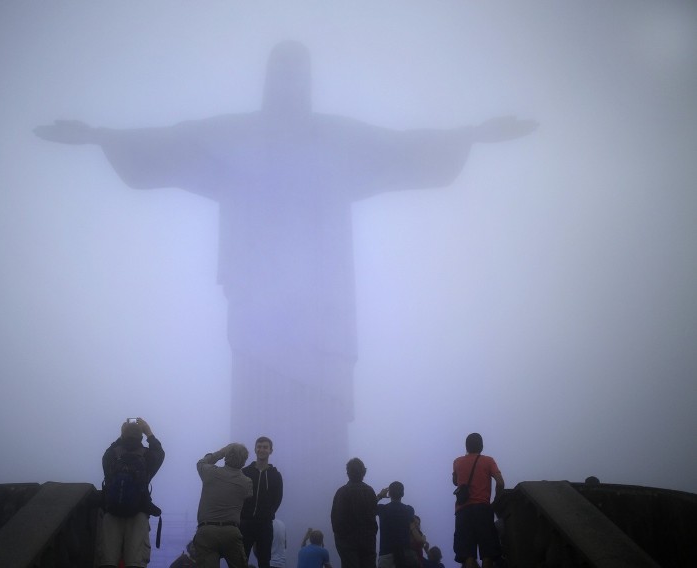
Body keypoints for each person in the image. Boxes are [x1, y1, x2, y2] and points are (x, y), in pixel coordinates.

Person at [33, 44, 537, 538]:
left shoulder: (336, 139)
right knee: (258, 399)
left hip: (324, 307)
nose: (290, 81)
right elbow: (172, 143)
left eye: (298, 71)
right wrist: (99, 136)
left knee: (321, 413)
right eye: (282, 70)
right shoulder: (239, 136)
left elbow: (400, 147)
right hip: (258, 306)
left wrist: (472, 134)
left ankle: (309, 527)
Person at [100, 418, 165, 568]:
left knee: (108, 562)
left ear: (123, 435)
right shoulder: (148, 456)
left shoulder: (111, 455)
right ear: (140, 437)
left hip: (112, 512)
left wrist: (121, 435)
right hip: (138, 513)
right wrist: (149, 432)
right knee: (135, 562)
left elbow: (106, 454)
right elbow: (160, 453)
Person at [194, 443, 254, 568]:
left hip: (206, 531)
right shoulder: (246, 483)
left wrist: (220, 452)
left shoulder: (210, 472)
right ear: (243, 462)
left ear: (226, 457)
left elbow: (200, 463)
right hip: (231, 532)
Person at [451, 433, 504, 568]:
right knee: (488, 552)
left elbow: (455, 481)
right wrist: (496, 502)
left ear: (466, 446)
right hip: (483, 509)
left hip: (463, 511)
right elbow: (500, 483)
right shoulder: (488, 461)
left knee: (467, 554)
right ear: (481, 446)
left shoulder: (457, 462)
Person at [241, 436, 284, 568]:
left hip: (265, 524)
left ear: (271, 450)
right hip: (245, 523)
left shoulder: (275, 475)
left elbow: (278, 498)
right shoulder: (244, 472)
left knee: (264, 561)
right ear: (255, 449)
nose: (262, 450)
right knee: (240, 560)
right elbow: (238, 495)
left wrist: (268, 513)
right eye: (259, 447)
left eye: (265, 447)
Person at [331, 458, 378, 568]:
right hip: (368, 543)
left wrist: (341, 540)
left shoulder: (341, 492)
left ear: (348, 473)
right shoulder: (370, 491)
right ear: (363, 473)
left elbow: (336, 520)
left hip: (347, 545)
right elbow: (373, 513)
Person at [375, 481, 418, 568]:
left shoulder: (382, 509)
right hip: (406, 555)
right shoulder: (409, 510)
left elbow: (368, 507)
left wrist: (380, 495)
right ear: (402, 494)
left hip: (386, 554)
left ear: (389, 494)